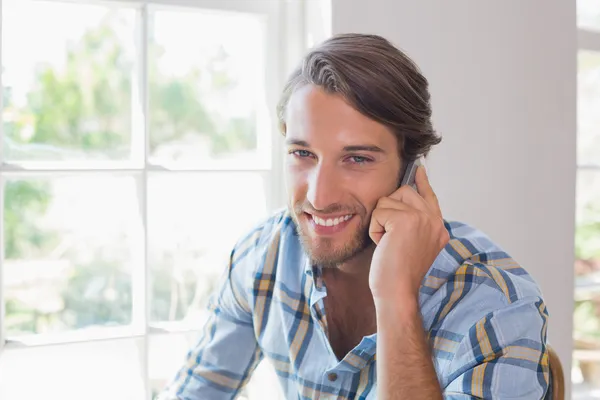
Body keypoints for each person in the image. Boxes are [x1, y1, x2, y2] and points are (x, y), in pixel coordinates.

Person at [157, 33, 550, 400]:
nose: (319, 196)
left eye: (357, 158)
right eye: (302, 154)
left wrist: (396, 299)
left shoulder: (498, 308)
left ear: (411, 168)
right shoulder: (265, 255)